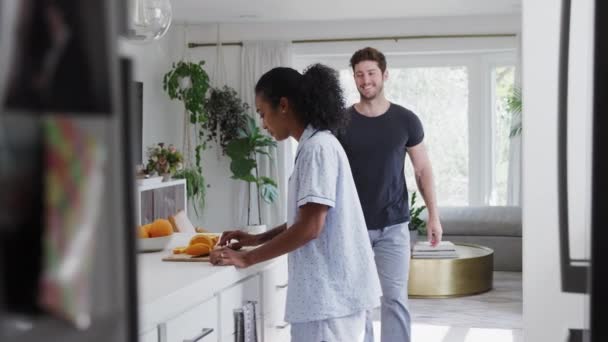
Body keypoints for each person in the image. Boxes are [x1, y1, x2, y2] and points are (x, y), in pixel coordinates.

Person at [210, 64, 381, 342]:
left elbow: (311, 227)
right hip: (331, 299)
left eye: (263, 113)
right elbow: (305, 218)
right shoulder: (316, 144)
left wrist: (247, 258)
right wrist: (256, 238)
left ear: (284, 105)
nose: (263, 124)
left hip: (329, 301)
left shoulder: (317, 149)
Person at [338, 47, 444, 342]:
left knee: (395, 299)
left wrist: (434, 215)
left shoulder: (406, 120)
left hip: (394, 226)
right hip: (353, 227)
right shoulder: (341, 122)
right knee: (360, 302)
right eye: (359, 74)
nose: (365, 80)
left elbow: (422, 170)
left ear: (384, 75)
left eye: (371, 73)